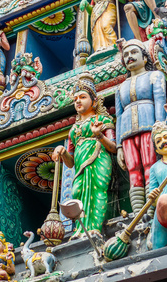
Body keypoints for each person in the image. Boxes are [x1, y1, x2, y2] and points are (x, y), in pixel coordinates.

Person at [51, 73, 116, 237]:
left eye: (82, 97)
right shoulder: (73, 130)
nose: (78, 101)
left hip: (98, 159)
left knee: (98, 190)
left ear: (94, 101)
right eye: (75, 99)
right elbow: (71, 163)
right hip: (80, 165)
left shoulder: (102, 119)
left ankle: (95, 227)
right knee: (78, 191)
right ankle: (81, 229)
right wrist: (63, 151)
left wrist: (99, 135)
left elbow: (114, 147)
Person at [115, 39, 167, 214]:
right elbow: (119, 115)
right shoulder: (120, 87)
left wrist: (160, 127)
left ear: (145, 58)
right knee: (133, 170)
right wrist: (119, 146)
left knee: (150, 166)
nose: (130, 57)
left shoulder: (155, 76)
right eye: (126, 55)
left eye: (134, 53)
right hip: (127, 133)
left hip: (150, 128)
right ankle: (139, 213)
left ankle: (153, 210)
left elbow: (160, 102)